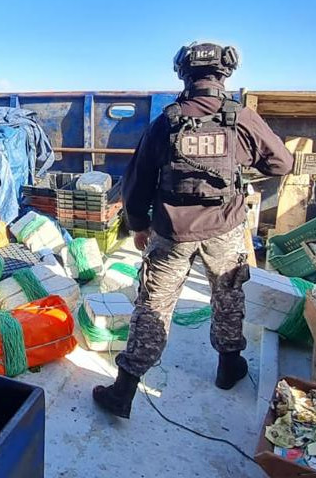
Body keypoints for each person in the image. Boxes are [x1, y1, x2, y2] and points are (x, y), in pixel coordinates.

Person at [93, 42, 294, 419]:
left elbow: (136, 182)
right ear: (224, 75)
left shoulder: (166, 121)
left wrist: (138, 226)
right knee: (228, 294)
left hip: (170, 232)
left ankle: (123, 391)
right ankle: (229, 366)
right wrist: (241, 172)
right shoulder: (241, 118)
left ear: (183, 74)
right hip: (225, 228)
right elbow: (282, 162)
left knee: (153, 306)